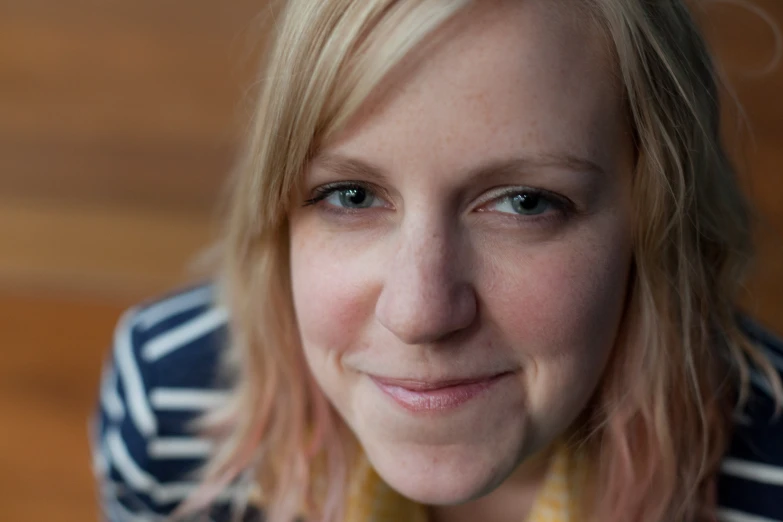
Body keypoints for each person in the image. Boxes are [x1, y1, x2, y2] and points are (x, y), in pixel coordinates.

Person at [91, 1, 783, 521]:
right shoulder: (171, 407)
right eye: (350, 194)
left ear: (656, 223)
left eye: (523, 203)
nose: (420, 313)